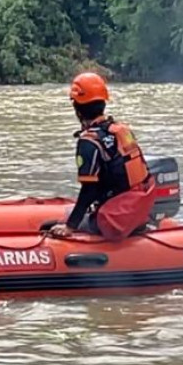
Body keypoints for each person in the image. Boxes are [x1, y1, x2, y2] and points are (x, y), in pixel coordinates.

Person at [49, 73, 155, 241]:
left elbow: (89, 190)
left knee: (50, 224)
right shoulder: (122, 130)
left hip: (114, 220)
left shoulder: (88, 142)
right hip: (139, 212)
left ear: (77, 108)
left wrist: (70, 226)